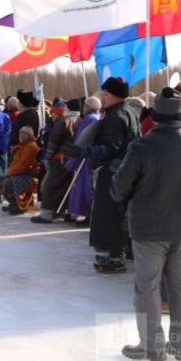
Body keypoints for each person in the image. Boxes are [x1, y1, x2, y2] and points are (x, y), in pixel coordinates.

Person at [111, 87, 181, 361]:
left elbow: (118, 190)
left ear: (155, 116)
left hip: (149, 230)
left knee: (147, 287)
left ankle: (152, 346)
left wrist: (117, 174)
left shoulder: (142, 147)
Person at [65, 77, 140, 274]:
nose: (103, 98)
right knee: (117, 214)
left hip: (114, 172)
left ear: (115, 95)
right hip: (126, 171)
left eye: (105, 94)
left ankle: (114, 257)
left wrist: (82, 151)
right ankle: (117, 254)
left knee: (110, 215)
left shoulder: (116, 116)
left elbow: (110, 148)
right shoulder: (130, 112)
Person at [32, 98, 80, 223]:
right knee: (67, 187)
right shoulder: (80, 120)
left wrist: (47, 158)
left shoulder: (63, 121)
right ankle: (63, 212)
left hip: (60, 159)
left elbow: (53, 142)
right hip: (74, 159)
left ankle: (46, 214)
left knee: (51, 186)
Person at [64, 96, 102, 225]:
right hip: (90, 157)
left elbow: (81, 140)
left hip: (84, 158)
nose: (83, 108)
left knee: (83, 187)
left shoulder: (89, 119)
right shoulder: (96, 118)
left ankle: (85, 214)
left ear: (89, 107)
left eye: (85, 105)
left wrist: (73, 158)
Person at [0, 126, 41, 214]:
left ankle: (19, 206)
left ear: (27, 136)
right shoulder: (22, 146)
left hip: (29, 175)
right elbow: (16, 164)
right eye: (20, 134)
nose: (20, 137)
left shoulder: (31, 147)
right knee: (0, 180)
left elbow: (23, 166)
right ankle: (13, 203)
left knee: (7, 183)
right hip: (20, 173)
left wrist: (9, 173)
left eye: (22, 135)